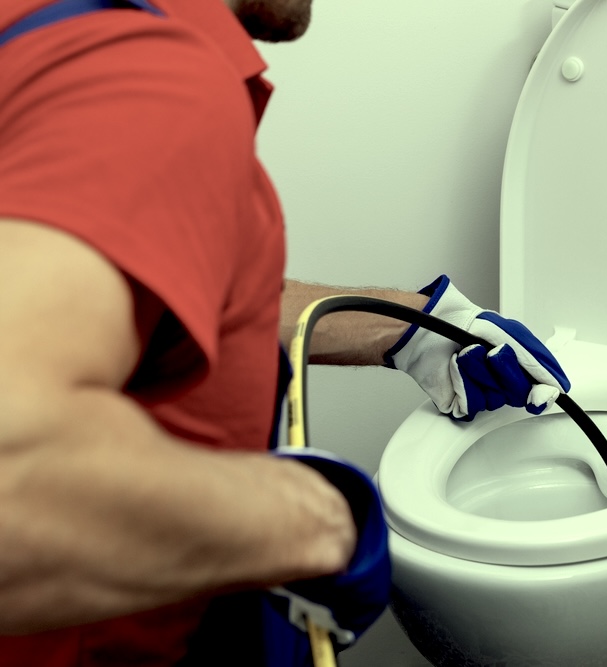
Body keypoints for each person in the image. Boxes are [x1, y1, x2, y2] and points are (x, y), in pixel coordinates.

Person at [0, 0, 569, 664]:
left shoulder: (50, 35)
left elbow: (159, 300)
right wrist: (311, 525)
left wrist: (413, 328)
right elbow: (18, 475)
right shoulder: (147, 79)